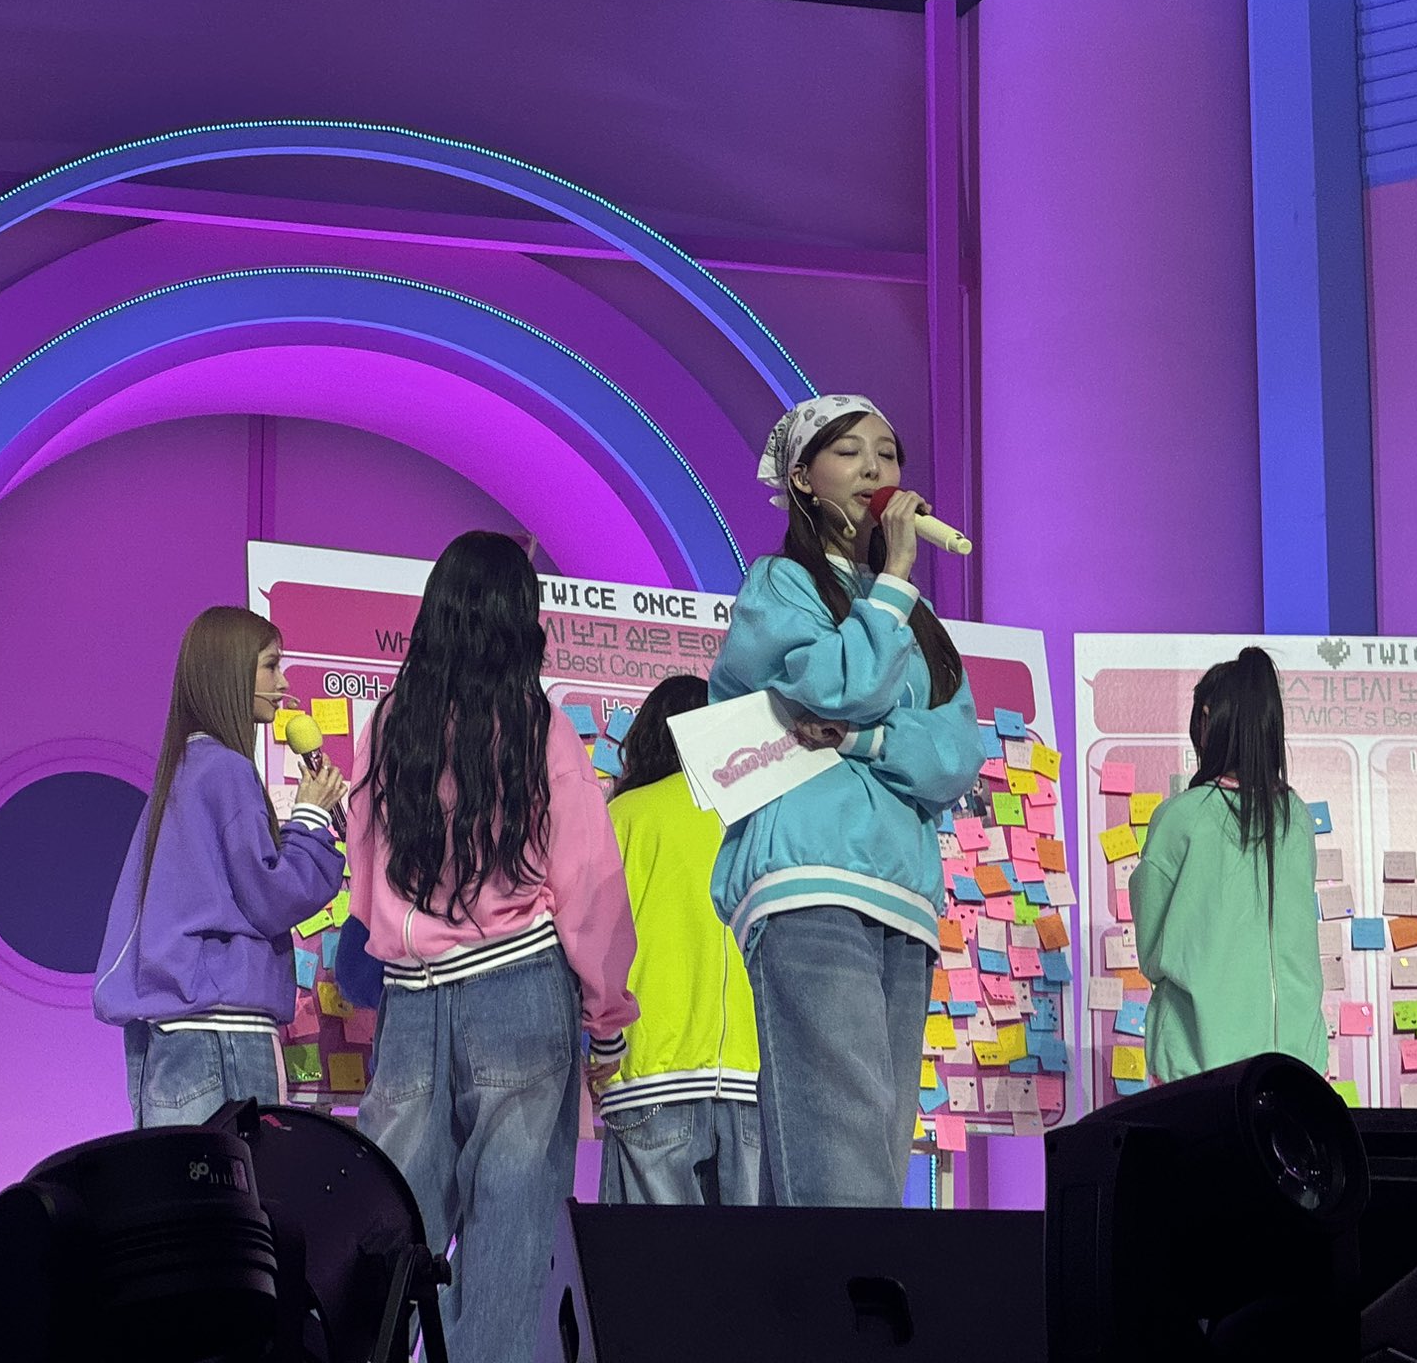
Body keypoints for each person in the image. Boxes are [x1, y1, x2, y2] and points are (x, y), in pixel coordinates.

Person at [347, 531, 636, 1363]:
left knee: (393, 1216)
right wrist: (607, 1020)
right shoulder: (540, 725)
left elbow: (364, 872)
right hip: (519, 988)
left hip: (413, 995)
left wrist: (411, 936)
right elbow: (589, 884)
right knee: (511, 1224)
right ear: (521, 618)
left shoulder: (392, 721)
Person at [710, 394, 981, 1206]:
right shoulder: (780, 585)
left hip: (904, 897)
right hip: (810, 880)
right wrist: (893, 581)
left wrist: (862, 741)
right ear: (802, 477)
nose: (874, 469)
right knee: (840, 1157)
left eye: (888, 454)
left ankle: (810, 1291)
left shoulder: (918, 623)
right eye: (850, 452)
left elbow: (954, 759)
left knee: (874, 1152)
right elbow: (840, 683)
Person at [93, 607, 347, 1126]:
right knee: (237, 1178)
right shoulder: (227, 770)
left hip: (172, 1032)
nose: (283, 684)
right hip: (221, 1034)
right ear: (230, 674)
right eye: (271, 666)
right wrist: (311, 818)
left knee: (180, 1179)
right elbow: (272, 897)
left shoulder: (185, 768)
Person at [599, 674, 762, 1206]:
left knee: (654, 1256)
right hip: (750, 1077)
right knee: (751, 1256)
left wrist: (599, 1043)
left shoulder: (625, 816)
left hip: (648, 1071)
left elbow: (596, 944)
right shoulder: (752, 820)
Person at [1130, 647, 1326, 1083]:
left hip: (1196, 1066)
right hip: (1297, 1071)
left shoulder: (1181, 817)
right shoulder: (1295, 820)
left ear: (1206, 721)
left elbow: (1153, 953)